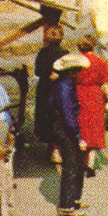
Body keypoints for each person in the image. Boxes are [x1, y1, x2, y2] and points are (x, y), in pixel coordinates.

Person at [49, 53, 90, 216]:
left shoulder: (61, 83)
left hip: (62, 125)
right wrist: (77, 136)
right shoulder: (65, 87)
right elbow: (68, 114)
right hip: (67, 128)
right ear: (72, 71)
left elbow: (52, 104)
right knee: (72, 166)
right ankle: (66, 205)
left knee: (77, 165)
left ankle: (74, 199)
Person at [73, 34, 108, 173]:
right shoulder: (100, 61)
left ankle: (80, 159)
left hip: (78, 93)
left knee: (81, 125)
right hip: (95, 95)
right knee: (94, 128)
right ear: (93, 45)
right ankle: (90, 164)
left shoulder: (76, 61)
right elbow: (105, 83)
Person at [33, 24, 68, 160]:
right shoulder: (64, 53)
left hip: (44, 87)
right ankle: (56, 149)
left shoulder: (42, 52)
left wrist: (48, 74)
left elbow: (37, 71)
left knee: (46, 116)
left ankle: (50, 147)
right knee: (58, 116)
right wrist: (58, 74)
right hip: (59, 87)